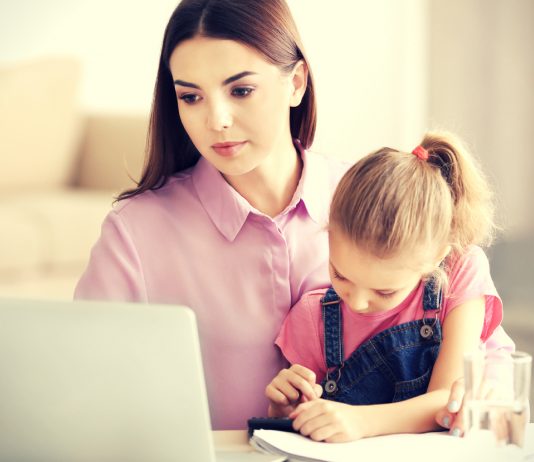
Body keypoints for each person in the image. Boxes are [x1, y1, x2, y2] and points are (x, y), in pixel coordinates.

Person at [74, 0, 513, 431]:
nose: (217, 119)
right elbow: (82, 388)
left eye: (241, 90)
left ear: (296, 82)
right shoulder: (135, 232)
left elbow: (489, 354)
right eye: (191, 97)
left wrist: (479, 394)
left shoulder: (374, 201)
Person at [266, 132, 510, 442]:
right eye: (340, 275)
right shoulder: (310, 320)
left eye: (384, 291)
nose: (357, 302)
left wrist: (361, 422)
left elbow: (447, 399)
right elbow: (306, 429)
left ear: (438, 257)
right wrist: (286, 410)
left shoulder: (461, 271)